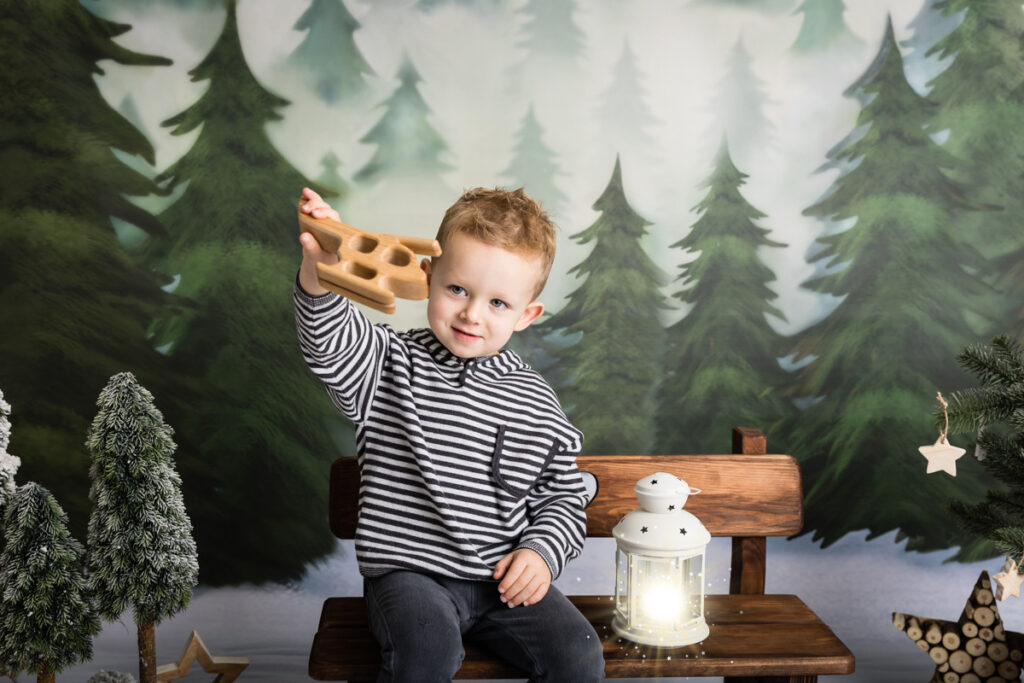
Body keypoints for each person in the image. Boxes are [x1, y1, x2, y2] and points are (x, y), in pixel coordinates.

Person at [294, 186, 605, 682]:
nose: (472, 314)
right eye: (457, 289)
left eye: (499, 302)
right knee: (427, 651)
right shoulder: (388, 364)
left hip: (501, 584)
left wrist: (540, 553)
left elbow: (563, 495)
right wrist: (323, 271)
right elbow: (329, 341)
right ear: (428, 277)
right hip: (409, 577)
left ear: (527, 315)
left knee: (580, 651)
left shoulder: (535, 399)